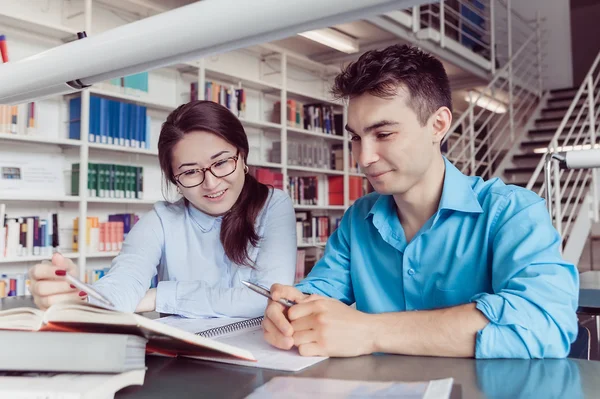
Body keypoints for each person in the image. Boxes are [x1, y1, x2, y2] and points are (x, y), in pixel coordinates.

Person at [262, 44, 579, 359]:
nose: (363, 158)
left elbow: (546, 324)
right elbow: (318, 293)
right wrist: (291, 309)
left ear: (438, 125)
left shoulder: (512, 212)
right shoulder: (358, 218)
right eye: (356, 138)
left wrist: (371, 332)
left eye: (383, 134)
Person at [28, 100, 297, 318]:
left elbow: (269, 297)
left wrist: (157, 297)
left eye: (222, 162)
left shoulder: (274, 206)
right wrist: (80, 297)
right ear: (175, 181)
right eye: (190, 171)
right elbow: (124, 281)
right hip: (186, 364)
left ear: (242, 156)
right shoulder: (161, 220)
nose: (211, 183)